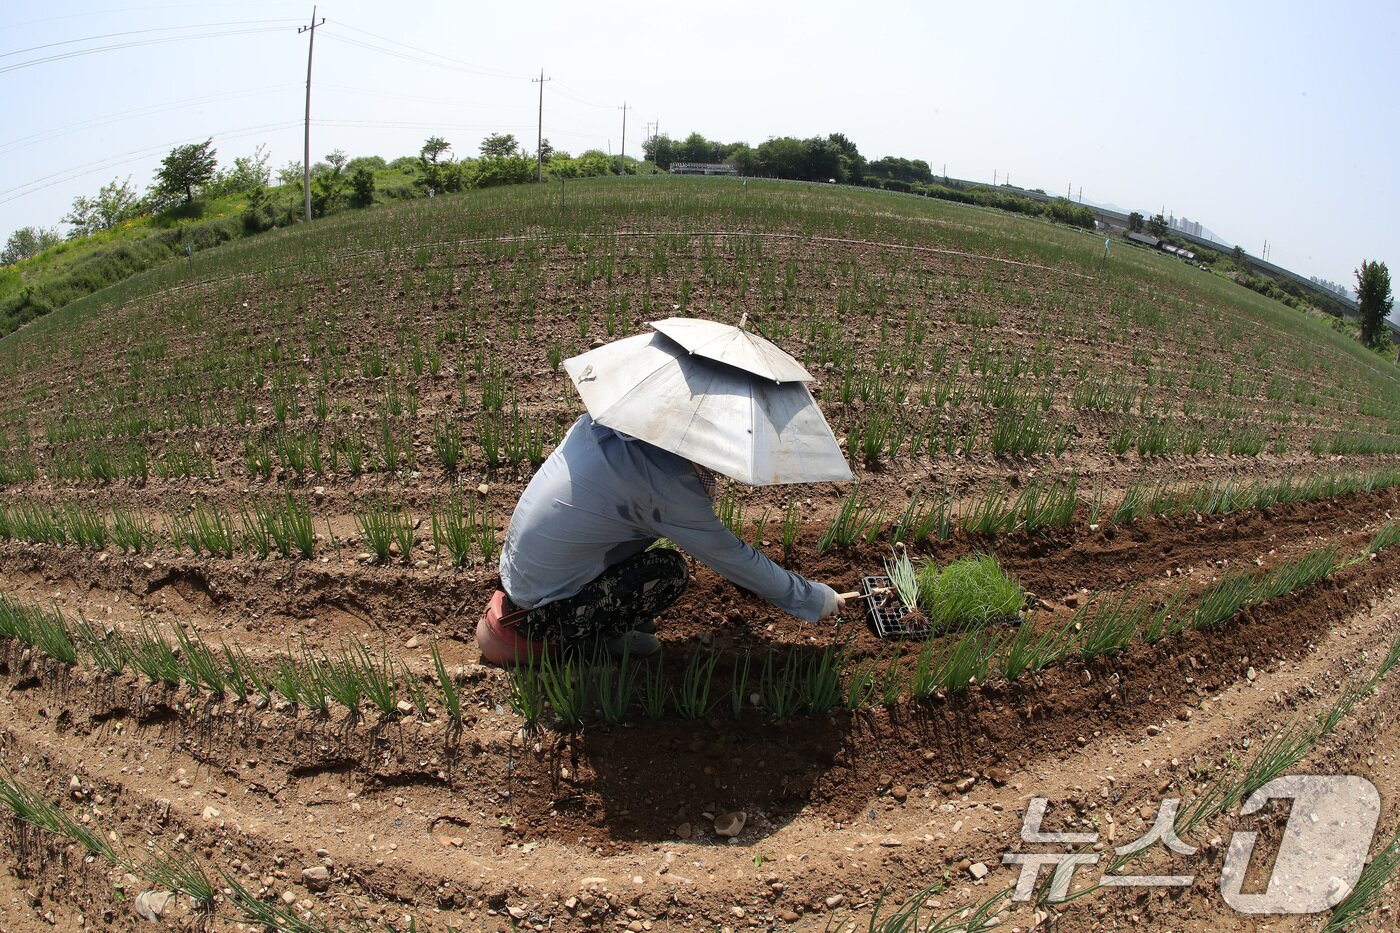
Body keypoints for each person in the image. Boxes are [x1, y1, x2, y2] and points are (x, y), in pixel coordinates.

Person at [476, 413, 846, 666]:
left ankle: (582, 618)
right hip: (542, 612)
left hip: (520, 575)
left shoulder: (603, 425)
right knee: (668, 571)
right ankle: (589, 643)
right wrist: (811, 597)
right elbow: (733, 558)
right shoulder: (666, 486)